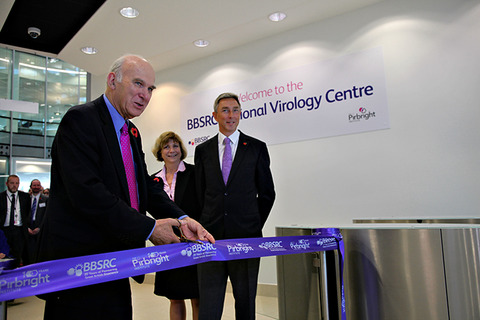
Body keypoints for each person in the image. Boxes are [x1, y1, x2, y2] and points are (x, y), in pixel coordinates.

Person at [36, 54, 214, 320]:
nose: (145, 95)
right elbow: (88, 193)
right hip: (80, 266)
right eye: (138, 84)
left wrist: (183, 217)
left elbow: (145, 188)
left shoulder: (130, 132)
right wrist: (150, 228)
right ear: (112, 81)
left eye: (150, 88)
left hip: (118, 262)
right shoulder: (80, 120)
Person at [194, 92, 276, 320]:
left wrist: (252, 224)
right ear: (214, 116)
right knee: (209, 305)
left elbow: (268, 193)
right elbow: (200, 194)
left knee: (246, 302)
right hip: (210, 240)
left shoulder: (257, 148)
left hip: (247, 239)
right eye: (225, 110)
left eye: (235, 110)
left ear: (240, 113)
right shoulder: (203, 151)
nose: (231, 115)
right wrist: (206, 222)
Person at [151, 131, 201, 320]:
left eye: (175, 146)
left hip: (194, 243)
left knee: (197, 297)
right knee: (174, 297)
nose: (172, 150)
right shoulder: (153, 180)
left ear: (181, 149)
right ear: (160, 152)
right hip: (168, 244)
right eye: (166, 146)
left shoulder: (195, 173)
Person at [0, 175, 31, 267]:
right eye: (12, 183)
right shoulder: (1, 197)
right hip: (4, 230)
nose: (14, 185)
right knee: (4, 254)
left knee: (18, 255)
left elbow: (28, 212)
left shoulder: (25, 197)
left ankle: (16, 275)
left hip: (19, 230)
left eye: (17, 183)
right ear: (6, 184)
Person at [27, 179, 48, 264]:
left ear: (40, 187)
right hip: (28, 229)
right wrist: (27, 227)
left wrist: (40, 227)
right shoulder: (26, 199)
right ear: (31, 187)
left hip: (40, 229)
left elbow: (46, 215)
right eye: (34, 185)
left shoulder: (46, 199)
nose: (36, 187)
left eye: (38, 185)